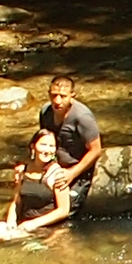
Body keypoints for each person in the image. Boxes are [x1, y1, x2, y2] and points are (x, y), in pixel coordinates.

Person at [0, 130, 77, 243]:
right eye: (43, 145)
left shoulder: (57, 174)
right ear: (33, 147)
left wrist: (34, 223)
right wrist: (11, 222)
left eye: (51, 146)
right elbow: (17, 201)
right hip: (23, 223)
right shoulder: (23, 170)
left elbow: (63, 210)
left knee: (0, 237)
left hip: (45, 227)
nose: (47, 150)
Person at [36, 76, 104, 212]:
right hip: (55, 167)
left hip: (80, 171)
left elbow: (96, 150)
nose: (57, 101)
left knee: (68, 208)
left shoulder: (82, 117)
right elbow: (44, 142)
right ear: (49, 94)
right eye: (54, 96)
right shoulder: (46, 112)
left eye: (63, 96)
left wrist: (72, 173)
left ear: (72, 96)